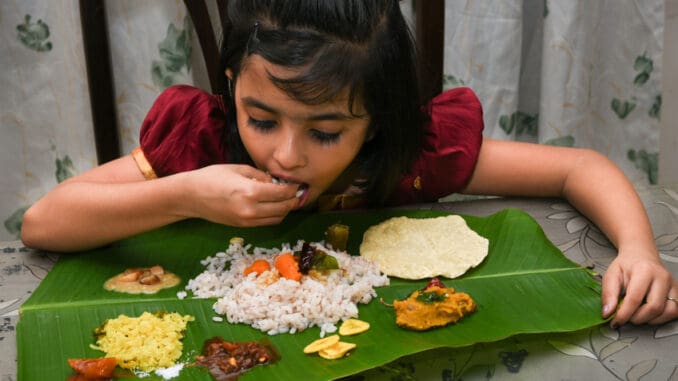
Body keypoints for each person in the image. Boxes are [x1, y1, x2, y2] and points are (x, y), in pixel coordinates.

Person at [21, 0, 677, 327]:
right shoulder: (199, 142)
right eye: (262, 118)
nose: (286, 153)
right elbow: (45, 222)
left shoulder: (413, 153)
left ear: (376, 121)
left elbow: (576, 168)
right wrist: (185, 194)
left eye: (327, 129)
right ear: (228, 87)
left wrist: (639, 247)